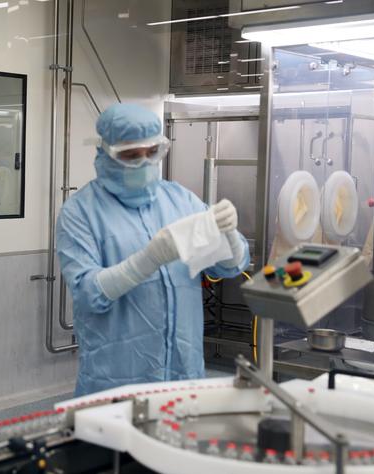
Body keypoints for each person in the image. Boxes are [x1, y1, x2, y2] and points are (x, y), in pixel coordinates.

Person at [56, 103, 250, 397]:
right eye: (131, 156)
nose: (144, 163)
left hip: (183, 379)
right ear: (106, 153)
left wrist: (230, 237)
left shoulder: (180, 200)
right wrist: (148, 259)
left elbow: (228, 267)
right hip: (117, 384)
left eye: (152, 153)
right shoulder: (80, 213)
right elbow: (89, 293)